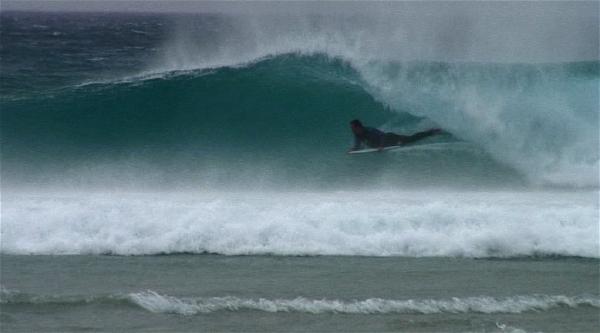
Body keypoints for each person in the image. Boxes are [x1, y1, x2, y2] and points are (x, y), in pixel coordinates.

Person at [348, 119, 442, 152]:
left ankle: (431, 132)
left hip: (391, 138)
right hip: (383, 144)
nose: (352, 129)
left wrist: (381, 146)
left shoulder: (370, 130)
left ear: (359, 127)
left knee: (411, 139)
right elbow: (358, 144)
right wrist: (354, 149)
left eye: (353, 128)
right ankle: (430, 131)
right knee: (410, 139)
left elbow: (383, 136)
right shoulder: (357, 134)